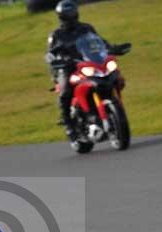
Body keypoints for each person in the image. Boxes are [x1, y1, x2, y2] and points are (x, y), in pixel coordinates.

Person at [46, 0, 120, 140]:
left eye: (72, 13)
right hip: (67, 67)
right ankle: (68, 123)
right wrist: (54, 59)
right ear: (61, 16)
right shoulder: (56, 34)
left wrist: (110, 48)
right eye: (68, 15)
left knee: (113, 76)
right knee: (66, 90)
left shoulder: (86, 28)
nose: (71, 17)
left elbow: (99, 41)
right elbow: (50, 53)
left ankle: (109, 111)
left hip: (88, 62)